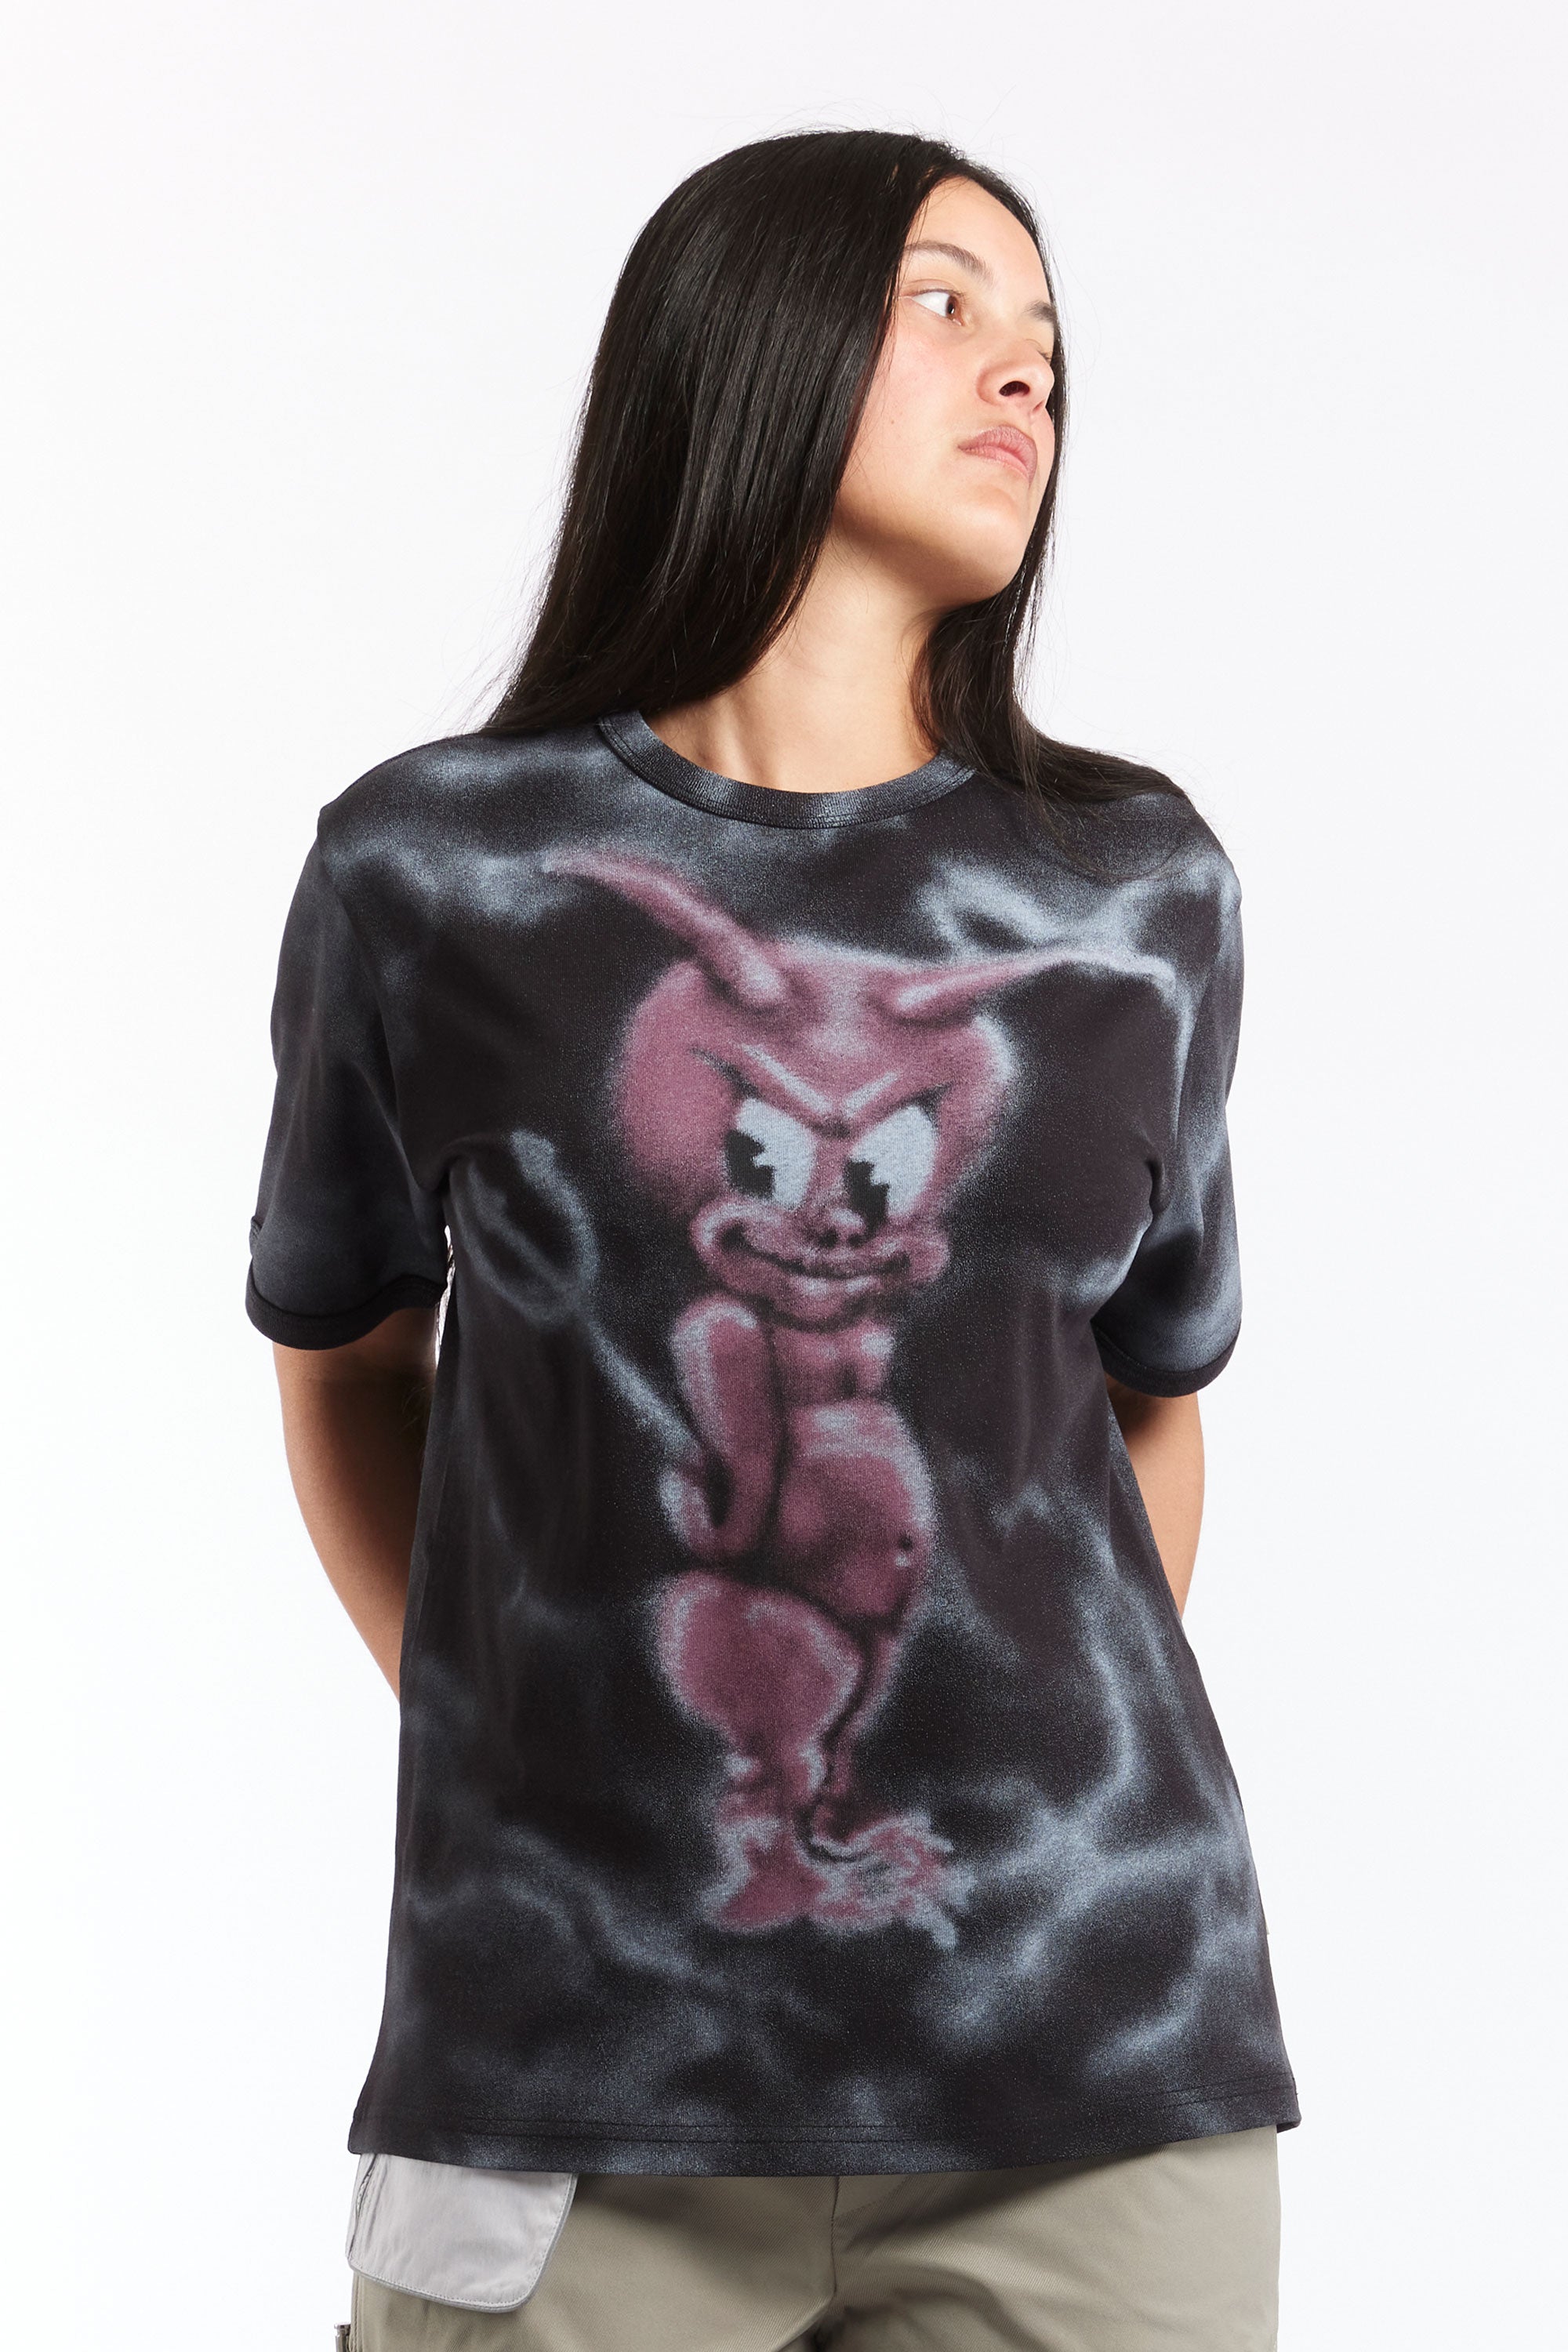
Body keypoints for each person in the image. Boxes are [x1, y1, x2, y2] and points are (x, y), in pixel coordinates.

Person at [247, 129, 1297, 2352]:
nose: (1025, 372)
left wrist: (978, 1734)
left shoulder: (1135, 896)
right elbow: (342, 1361)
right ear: (748, 344)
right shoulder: (437, 873)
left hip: (1098, 2085)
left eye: (1047, 339)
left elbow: (1143, 1407)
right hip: (562, 2075)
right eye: (946, 303)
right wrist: (551, 1727)